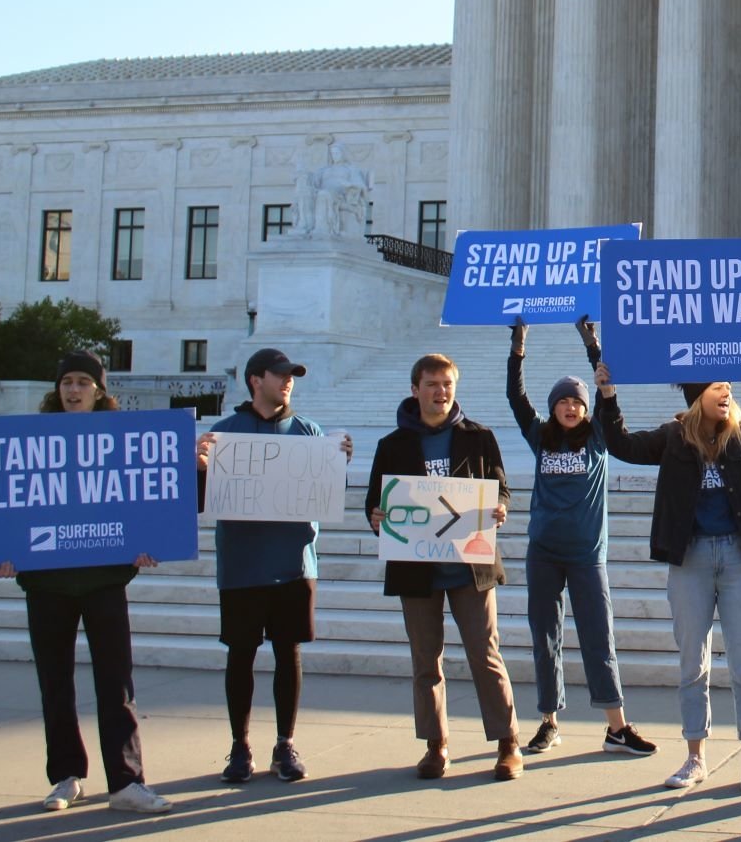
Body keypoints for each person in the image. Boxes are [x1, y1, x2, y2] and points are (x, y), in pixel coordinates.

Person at [594, 346, 741, 794]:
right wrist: (607, 397)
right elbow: (622, 445)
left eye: (729, 387)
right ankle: (694, 757)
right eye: (718, 387)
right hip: (692, 559)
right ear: (698, 394)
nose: (726, 394)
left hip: (739, 558)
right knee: (692, 664)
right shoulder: (673, 437)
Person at [0, 352, 171, 814]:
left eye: (83, 383)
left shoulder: (120, 441)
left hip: (104, 582)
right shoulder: (28, 441)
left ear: (100, 392)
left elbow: (135, 502)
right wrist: (3, 554)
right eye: (67, 381)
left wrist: (143, 545)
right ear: (57, 389)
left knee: (116, 685)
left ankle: (127, 781)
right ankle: (66, 776)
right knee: (55, 683)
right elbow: (12, 505)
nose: (73, 390)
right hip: (47, 585)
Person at [196, 347, 352, 784]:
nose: (288, 381)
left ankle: (285, 744)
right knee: (240, 655)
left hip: (294, 564)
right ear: (254, 379)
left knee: (289, 653)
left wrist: (340, 460)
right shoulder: (224, 434)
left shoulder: (309, 432)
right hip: (242, 566)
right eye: (280, 374)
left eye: (292, 376)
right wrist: (199, 468)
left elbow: (327, 496)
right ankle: (239, 746)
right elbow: (198, 501)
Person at [365, 354, 522, 781]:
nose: (441, 392)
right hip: (418, 571)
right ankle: (437, 745)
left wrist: (500, 507)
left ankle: (508, 742)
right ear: (415, 389)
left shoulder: (479, 436)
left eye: (448, 384)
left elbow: (501, 487)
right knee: (425, 662)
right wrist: (377, 517)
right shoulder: (392, 445)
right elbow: (374, 505)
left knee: (485, 655)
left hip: (470, 567)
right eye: (432, 384)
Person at [506, 319, 656, 760]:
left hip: (588, 556)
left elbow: (610, 389)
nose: (570, 407)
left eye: (577, 402)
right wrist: (518, 345)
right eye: (563, 402)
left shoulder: (598, 440)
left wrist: (593, 343)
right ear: (553, 408)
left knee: (598, 637)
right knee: (545, 637)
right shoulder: (540, 437)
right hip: (544, 553)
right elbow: (516, 398)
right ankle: (549, 721)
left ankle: (616, 727)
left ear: (586, 409)